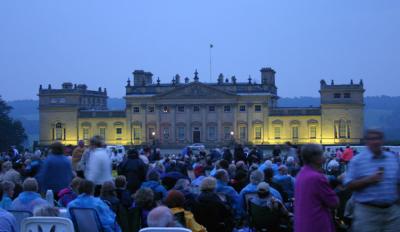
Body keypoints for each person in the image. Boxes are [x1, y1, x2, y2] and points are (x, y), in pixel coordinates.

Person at [344, 130, 400, 231]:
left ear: (383, 140)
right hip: (367, 213)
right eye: (372, 139)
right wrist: (368, 180)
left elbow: (397, 183)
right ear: (366, 141)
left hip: (392, 213)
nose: (376, 142)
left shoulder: (392, 158)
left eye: (378, 138)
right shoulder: (357, 160)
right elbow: (349, 185)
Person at [294, 144, 339, 232]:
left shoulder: (300, 174)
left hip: (302, 225)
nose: (324, 155)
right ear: (316, 157)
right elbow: (334, 203)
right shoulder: (317, 177)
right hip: (317, 224)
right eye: (322, 153)